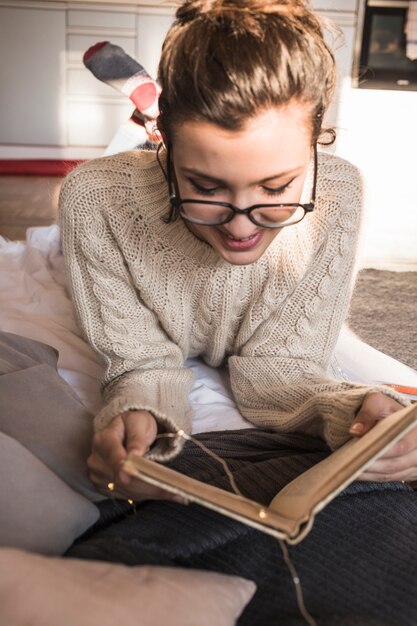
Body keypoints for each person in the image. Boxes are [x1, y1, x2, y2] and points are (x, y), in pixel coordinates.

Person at [59, 0, 416, 506]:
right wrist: (138, 417)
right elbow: (139, 360)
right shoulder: (95, 199)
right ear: (172, 152)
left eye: (277, 187)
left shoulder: (338, 193)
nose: (242, 226)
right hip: (144, 160)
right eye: (208, 187)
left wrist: (358, 408)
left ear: (317, 140)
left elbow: (282, 364)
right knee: (125, 158)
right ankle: (149, 111)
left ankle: (157, 116)